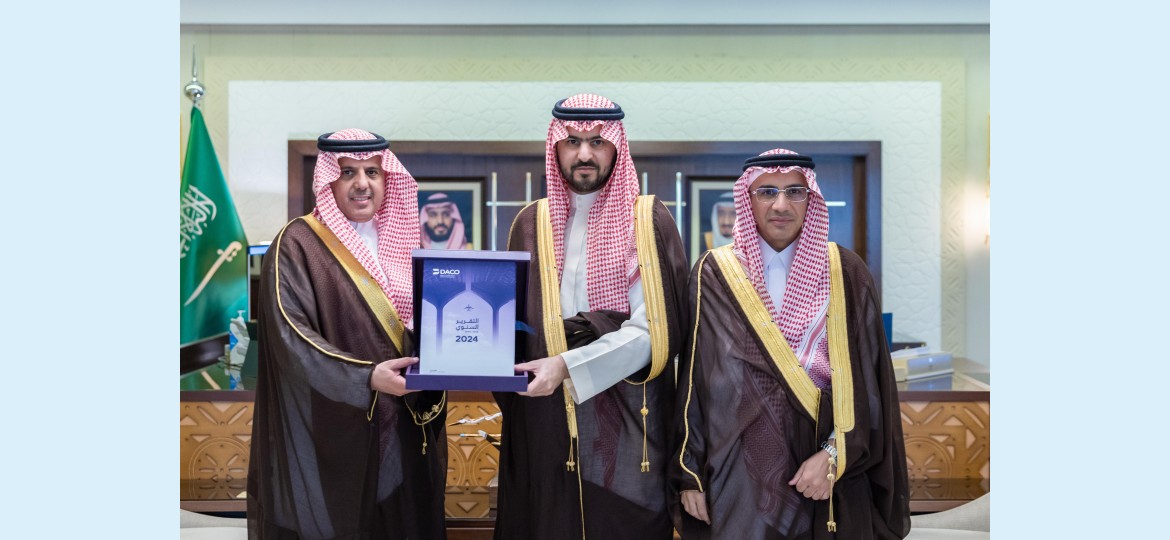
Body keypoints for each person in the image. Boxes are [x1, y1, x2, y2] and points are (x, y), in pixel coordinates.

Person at [670, 149, 910, 539]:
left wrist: (833, 456)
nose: (781, 205)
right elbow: (695, 382)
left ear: (810, 199)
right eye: (767, 191)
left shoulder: (847, 272)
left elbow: (870, 385)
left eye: (795, 192)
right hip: (736, 473)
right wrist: (689, 472)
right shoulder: (713, 273)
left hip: (824, 472)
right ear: (748, 199)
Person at [493, 93, 690, 540]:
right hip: (543, 417)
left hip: (627, 421)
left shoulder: (647, 220)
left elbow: (654, 331)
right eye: (573, 142)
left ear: (616, 147)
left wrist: (567, 364)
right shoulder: (530, 222)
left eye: (597, 142)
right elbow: (510, 325)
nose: (584, 154)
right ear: (555, 148)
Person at [248, 129, 448, 540]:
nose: (362, 183)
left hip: (406, 425)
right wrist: (366, 377)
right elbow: (291, 337)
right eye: (348, 172)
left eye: (372, 172)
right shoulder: (297, 243)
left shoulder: (407, 242)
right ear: (328, 180)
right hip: (335, 429)